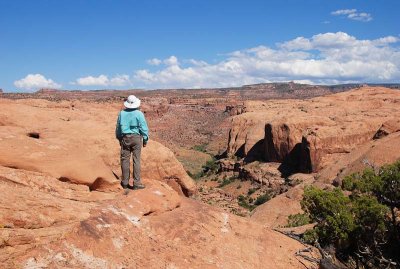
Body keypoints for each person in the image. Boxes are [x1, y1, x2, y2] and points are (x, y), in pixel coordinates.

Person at [115, 95, 149, 194]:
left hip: (125, 138)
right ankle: (137, 183)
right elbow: (144, 127)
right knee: (136, 160)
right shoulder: (139, 114)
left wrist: (119, 138)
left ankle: (125, 183)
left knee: (125, 160)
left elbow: (118, 128)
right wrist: (145, 139)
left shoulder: (122, 113)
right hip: (136, 138)